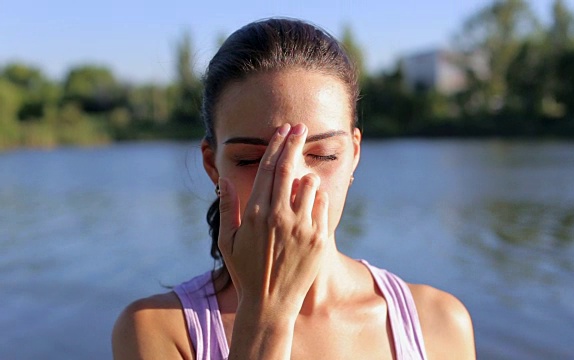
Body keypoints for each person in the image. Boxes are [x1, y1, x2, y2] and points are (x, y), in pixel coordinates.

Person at [112, 18, 475, 359]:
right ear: (212, 165)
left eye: (323, 154)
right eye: (252, 159)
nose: (291, 181)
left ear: (353, 155)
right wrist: (266, 314)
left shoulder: (438, 323)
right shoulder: (159, 330)